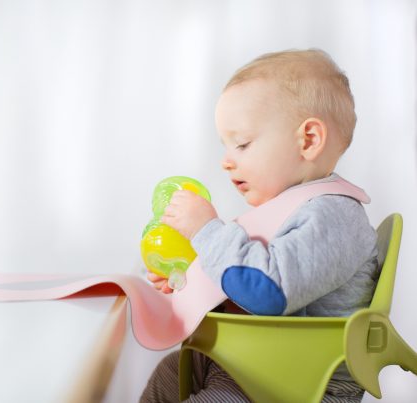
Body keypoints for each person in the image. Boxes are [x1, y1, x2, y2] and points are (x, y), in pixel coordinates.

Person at [140, 49, 378, 402]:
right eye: (226, 146)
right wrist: (187, 277)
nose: (226, 161)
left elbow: (268, 292)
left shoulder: (332, 216)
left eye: (242, 143)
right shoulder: (291, 208)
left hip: (300, 381)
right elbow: (249, 288)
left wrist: (207, 231)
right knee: (170, 373)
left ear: (308, 140)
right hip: (262, 361)